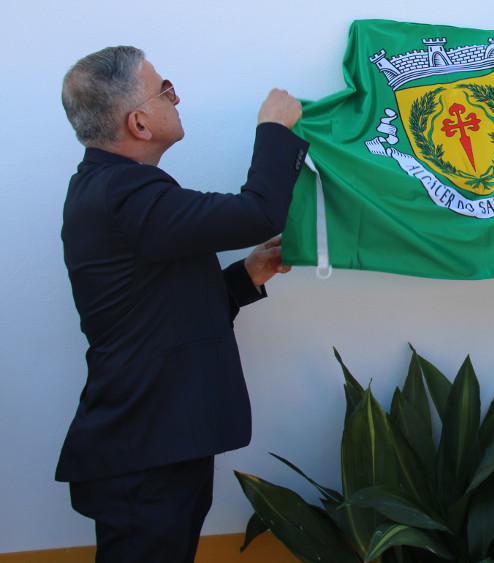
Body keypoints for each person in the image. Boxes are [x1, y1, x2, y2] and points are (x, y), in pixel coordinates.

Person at [56, 46, 309, 562]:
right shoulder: (125, 192)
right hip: (145, 448)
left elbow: (159, 310)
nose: (176, 96)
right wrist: (274, 129)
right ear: (139, 123)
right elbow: (259, 211)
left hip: (159, 441)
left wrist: (246, 275)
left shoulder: (115, 190)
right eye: (164, 88)